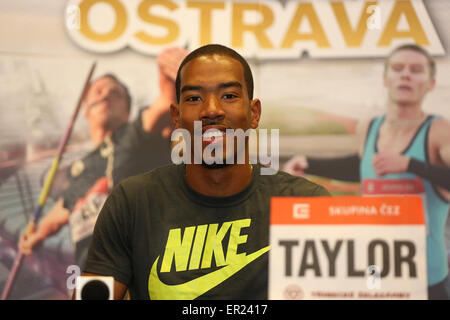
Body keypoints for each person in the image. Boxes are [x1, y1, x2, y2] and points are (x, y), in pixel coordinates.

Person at [75, 44, 330, 300]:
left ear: (254, 114)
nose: (211, 110)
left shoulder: (306, 202)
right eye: (194, 98)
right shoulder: (132, 201)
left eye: (229, 96)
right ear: (176, 117)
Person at [283, 44, 450, 300]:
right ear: (385, 79)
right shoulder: (369, 126)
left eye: (416, 70)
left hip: (427, 280)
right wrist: (310, 164)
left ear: (430, 83)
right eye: (397, 68)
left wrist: (411, 165)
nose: (406, 75)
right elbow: (362, 167)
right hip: (374, 274)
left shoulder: (439, 131)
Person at [18, 47, 189, 268]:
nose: (106, 95)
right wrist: (37, 234)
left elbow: (165, 104)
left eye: (115, 93)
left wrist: (172, 76)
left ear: (126, 110)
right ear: (84, 108)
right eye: (98, 91)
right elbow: (66, 206)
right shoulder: (79, 168)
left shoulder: (136, 137)